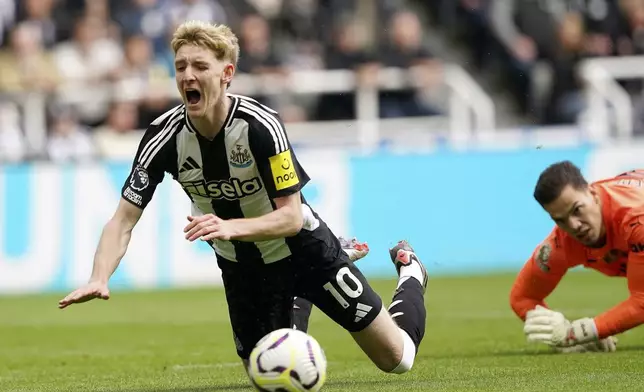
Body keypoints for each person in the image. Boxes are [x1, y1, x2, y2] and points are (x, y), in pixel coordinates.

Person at [58, 20, 429, 375]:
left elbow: (292, 217)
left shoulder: (260, 126)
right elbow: (123, 219)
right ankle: (301, 295)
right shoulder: (163, 137)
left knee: (397, 360)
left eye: (200, 66)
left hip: (305, 249)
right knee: (269, 371)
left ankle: (411, 272)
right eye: (181, 66)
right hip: (244, 268)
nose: (188, 75)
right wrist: (99, 276)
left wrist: (229, 226)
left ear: (226, 74)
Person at [511, 160, 644, 353]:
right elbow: (523, 297)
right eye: (560, 220)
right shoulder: (561, 243)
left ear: (592, 194)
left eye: (576, 210)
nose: (574, 226)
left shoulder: (635, 219)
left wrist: (578, 333)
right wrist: (560, 335)